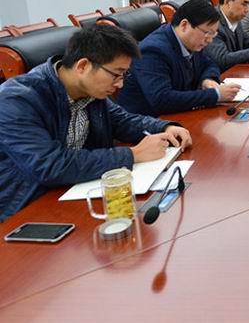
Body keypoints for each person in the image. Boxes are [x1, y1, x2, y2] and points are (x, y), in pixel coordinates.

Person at [0, 25, 191, 221]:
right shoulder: (15, 100)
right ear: (83, 66)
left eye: (124, 75)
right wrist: (133, 154)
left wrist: (164, 127)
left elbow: (122, 120)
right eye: (116, 74)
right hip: (27, 211)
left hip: (77, 190)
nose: (120, 84)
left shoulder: (89, 90)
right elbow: (49, 165)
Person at [118, 0, 240, 117]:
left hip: (182, 114)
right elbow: (162, 99)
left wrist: (208, 79)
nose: (210, 40)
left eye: (213, 34)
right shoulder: (152, 51)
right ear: (184, 25)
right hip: (150, 122)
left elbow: (210, 63)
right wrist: (216, 95)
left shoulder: (192, 42)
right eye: (207, 33)